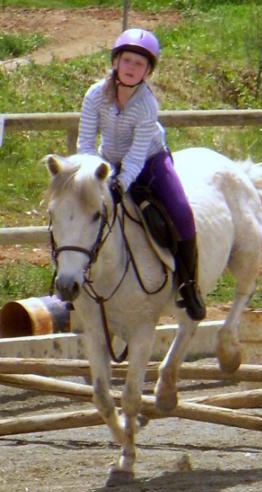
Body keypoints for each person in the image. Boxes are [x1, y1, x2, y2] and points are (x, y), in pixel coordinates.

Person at [76, 27, 206, 321]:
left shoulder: (148, 104)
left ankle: (189, 285)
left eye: (140, 64)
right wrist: (93, 175)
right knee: (75, 209)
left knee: (182, 213)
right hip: (106, 160)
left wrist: (120, 184)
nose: (132, 68)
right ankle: (70, 280)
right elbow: (85, 141)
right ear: (116, 62)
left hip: (150, 161)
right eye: (127, 61)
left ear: (148, 71)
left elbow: (136, 155)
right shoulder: (95, 94)